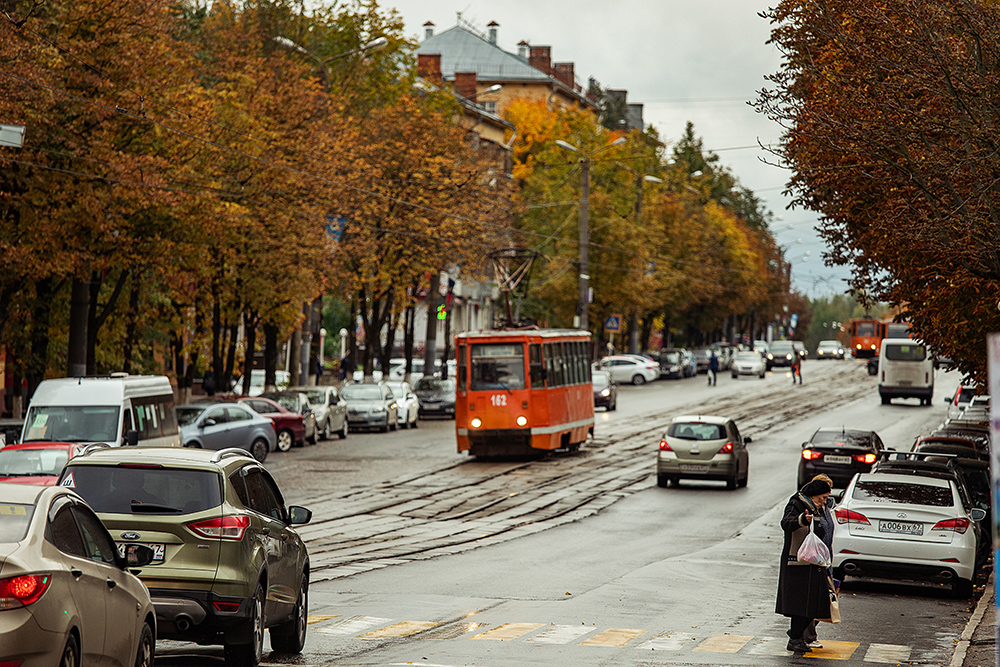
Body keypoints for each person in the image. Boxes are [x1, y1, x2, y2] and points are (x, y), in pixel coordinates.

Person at [775, 478, 832, 653]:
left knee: (817, 602)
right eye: (822, 497)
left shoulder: (819, 507)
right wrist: (801, 520)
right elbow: (786, 523)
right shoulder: (796, 503)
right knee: (800, 603)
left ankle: (796, 634)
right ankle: (795, 638)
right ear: (813, 495)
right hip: (797, 562)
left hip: (815, 561)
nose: (824, 501)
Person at [802, 473, 837, 649]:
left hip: (826, 558)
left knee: (829, 596)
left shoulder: (826, 506)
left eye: (827, 495)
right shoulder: (811, 508)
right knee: (816, 598)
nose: (826, 498)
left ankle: (806, 633)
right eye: (823, 495)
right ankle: (807, 635)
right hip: (815, 559)